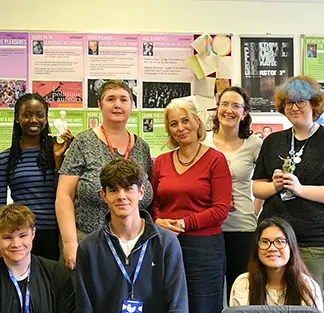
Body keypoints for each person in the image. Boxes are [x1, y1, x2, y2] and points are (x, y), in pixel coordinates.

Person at [252, 75, 324, 305]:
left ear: (314, 104)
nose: (293, 107)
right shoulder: (273, 141)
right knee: (273, 304)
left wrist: (300, 189)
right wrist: (274, 186)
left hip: (317, 243)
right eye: (288, 102)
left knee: (310, 305)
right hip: (276, 242)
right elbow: (258, 188)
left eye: (300, 101)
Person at [56, 80, 153, 270]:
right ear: (100, 105)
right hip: (87, 242)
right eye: (111, 99)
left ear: (131, 106)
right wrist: (69, 242)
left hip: (133, 246)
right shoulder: (83, 142)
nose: (117, 104)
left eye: (124, 99)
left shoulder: (142, 147)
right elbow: (64, 195)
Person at [76, 158, 188, 313]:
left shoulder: (166, 242)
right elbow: (84, 307)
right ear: (104, 195)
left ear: (141, 192)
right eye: (114, 190)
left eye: (128, 188)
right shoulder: (88, 247)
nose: (121, 196)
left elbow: (178, 305)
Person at [152, 97, 232, 313]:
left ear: (197, 122)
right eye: (174, 124)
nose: (181, 128)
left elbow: (220, 210)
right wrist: (158, 220)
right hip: (166, 245)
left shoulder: (216, 160)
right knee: (166, 304)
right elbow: (152, 202)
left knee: (202, 307)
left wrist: (184, 223)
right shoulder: (161, 161)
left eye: (185, 121)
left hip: (204, 250)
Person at [203, 86, 263, 301]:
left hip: (243, 227)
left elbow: (264, 181)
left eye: (236, 105)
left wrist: (255, 209)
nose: (229, 110)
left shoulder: (254, 144)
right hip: (209, 227)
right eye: (224, 104)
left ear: (244, 112)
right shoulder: (203, 142)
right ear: (217, 108)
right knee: (210, 290)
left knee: (241, 290)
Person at [0, 93, 73, 261]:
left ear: (46, 119)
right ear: (17, 118)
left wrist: (58, 159)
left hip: (56, 233)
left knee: (53, 284)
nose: (34, 120)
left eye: (39, 115)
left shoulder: (58, 152)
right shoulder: (6, 159)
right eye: (27, 115)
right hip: (20, 235)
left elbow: (64, 194)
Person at [230, 217, 324, 312]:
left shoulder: (307, 286)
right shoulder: (243, 284)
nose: (272, 248)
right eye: (265, 242)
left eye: (280, 241)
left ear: (291, 247)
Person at [0, 203, 75, 312]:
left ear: (33, 233)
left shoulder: (57, 274)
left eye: (22, 236)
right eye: (7, 237)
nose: (16, 244)